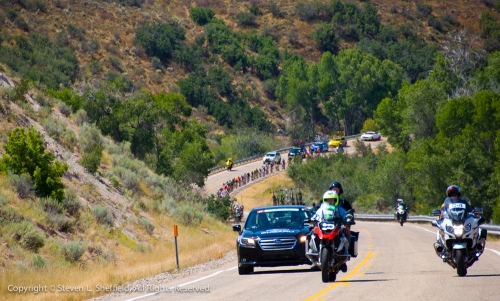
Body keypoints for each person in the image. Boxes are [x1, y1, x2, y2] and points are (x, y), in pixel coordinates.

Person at [308, 191, 350, 273]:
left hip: (336, 226)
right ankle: (312, 251)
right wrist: (312, 219)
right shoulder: (321, 209)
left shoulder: (339, 209)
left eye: (332, 200)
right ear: (325, 200)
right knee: (312, 233)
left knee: (343, 234)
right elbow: (316, 215)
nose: (330, 201)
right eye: (328, 200)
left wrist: (348, 219)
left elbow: (345, 215)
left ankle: (345, 252)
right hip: (323, 226)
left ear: (336, 200)